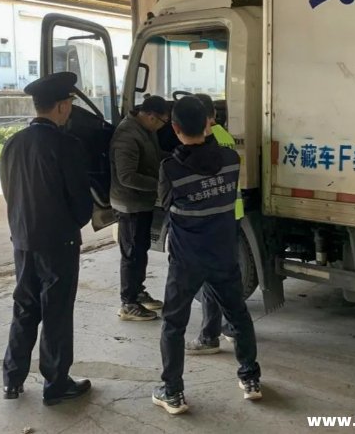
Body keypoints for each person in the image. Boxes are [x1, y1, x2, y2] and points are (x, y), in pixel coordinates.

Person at [152, 96, 262, 415]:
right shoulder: (230, 159)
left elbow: (165, 203)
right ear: (208, 123)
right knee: (238, 315)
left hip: (186, 260)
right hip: (223, 254)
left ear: (174, 128)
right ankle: (250, 379)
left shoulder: (170, 168)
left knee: (174, 323)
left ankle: (173, 392)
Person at [0, 72, 93, 406]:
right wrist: (74, 222)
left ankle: (12, 380)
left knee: (25, 307)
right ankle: (56, 384)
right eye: (69, 104)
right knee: (56, 311)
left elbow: (9, 191)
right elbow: (81, 204)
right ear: (62, 106)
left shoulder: (13, 143)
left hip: (23, 240)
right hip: (59, 242)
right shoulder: (67, 145)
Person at [185, 94, 244, 355]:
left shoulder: (208, 140)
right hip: (232, 213)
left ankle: (209, 336)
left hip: (214, 217)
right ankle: (232, 327)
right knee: (228, 274)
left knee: (210, 278)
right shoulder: (225, 136)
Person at [110, 95, 170, 321]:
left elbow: (154, 156)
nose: (163, 126)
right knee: (131, 253)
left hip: (142, 201)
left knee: (140, 249)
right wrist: (159, 185)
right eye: (163, 121)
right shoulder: (127, 135)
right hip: (129, 204)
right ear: (151, 116)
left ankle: (137, 291)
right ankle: (128, 303)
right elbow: (126, 176)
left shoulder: (146, 129)